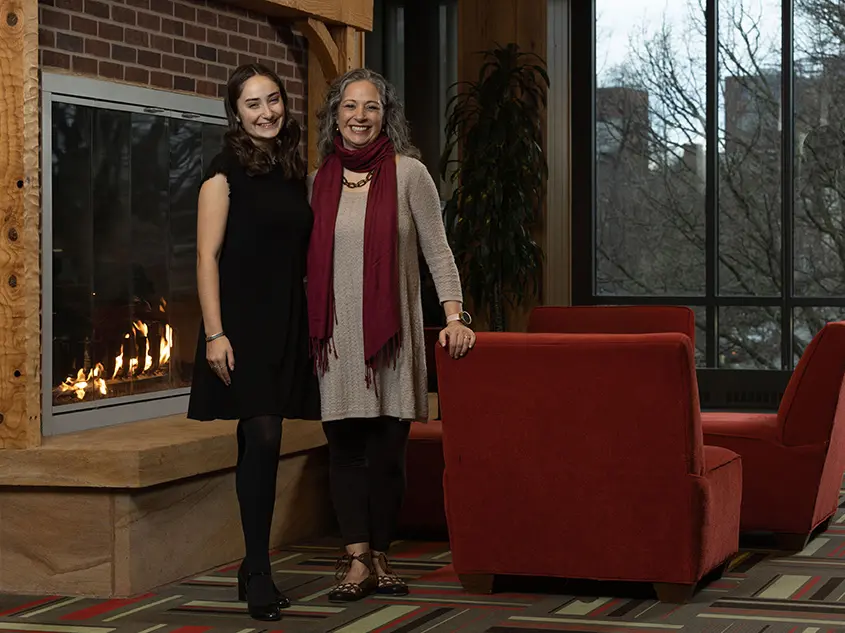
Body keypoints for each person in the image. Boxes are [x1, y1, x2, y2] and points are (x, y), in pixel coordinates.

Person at [307, 68, 476, 602]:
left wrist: (454, 317)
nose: (360, 116)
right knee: (345, 451)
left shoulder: (410, 174)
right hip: (337, 341)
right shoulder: (320, 179)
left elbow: (438, 250)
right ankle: (356, 559)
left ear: (387, 115)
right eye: (350, 106)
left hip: (394, 338)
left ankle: (380, 552)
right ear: (335, 114)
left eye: (371, 107)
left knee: (387, 454)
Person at [187, 63, 320, 622]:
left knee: (261, 437)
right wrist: (215, 332)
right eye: (252, 104)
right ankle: (259, 569)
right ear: (234, 114)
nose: (267, 112)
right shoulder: (222, 174)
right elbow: (205, 257)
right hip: (240, 324)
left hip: (287, 318)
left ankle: (251, 565)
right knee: (262, 433)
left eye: (273, 100)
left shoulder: (294, 170)